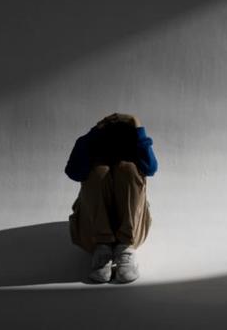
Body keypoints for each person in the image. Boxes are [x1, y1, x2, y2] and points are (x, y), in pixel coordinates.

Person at [65, 113, 158, 283]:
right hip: (92, 233)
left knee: (129, 169)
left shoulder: (133, 150)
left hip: (131, 232)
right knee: (98, 172)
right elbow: (74, 172)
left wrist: (137, 127)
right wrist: (93, 133)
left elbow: (151, 168)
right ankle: (103, 249)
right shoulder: (93, 144)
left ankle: (125, 248)